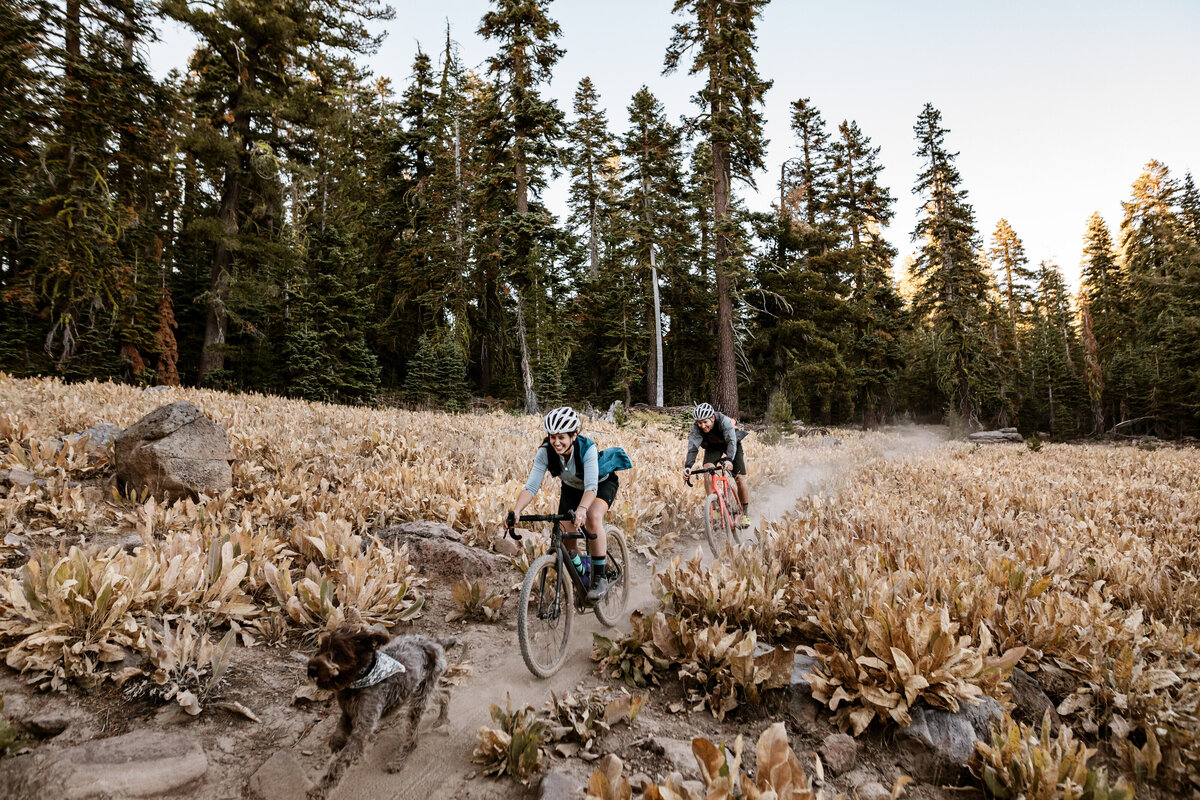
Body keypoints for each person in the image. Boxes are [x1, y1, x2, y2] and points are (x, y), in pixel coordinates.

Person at [505, 406, 618, 601]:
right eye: (552, 437)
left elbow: (591, 487)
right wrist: (516, 510)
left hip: (601, 483)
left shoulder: (587, 448)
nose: (556, 442)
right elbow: (531, 487)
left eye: (562, 437)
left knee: (592, 517)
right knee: (566, 537)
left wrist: (582, 509)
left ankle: (599, 578)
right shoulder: (545, 452)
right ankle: (583, 572)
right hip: (572, 488)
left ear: (573, 436)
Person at [683, 402, 751, 528]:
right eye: (699, 422)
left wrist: (729, 460)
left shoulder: (724, 421)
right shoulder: (697, 428)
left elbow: (731, 442)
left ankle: (745, 514)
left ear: (712, 418)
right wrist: (688, 466)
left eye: (705, 422)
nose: (702, 426)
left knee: (740, 479)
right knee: (707, 470)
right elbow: (693, 447)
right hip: (713, 446)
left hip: (731, 444)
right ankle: (714, 508)